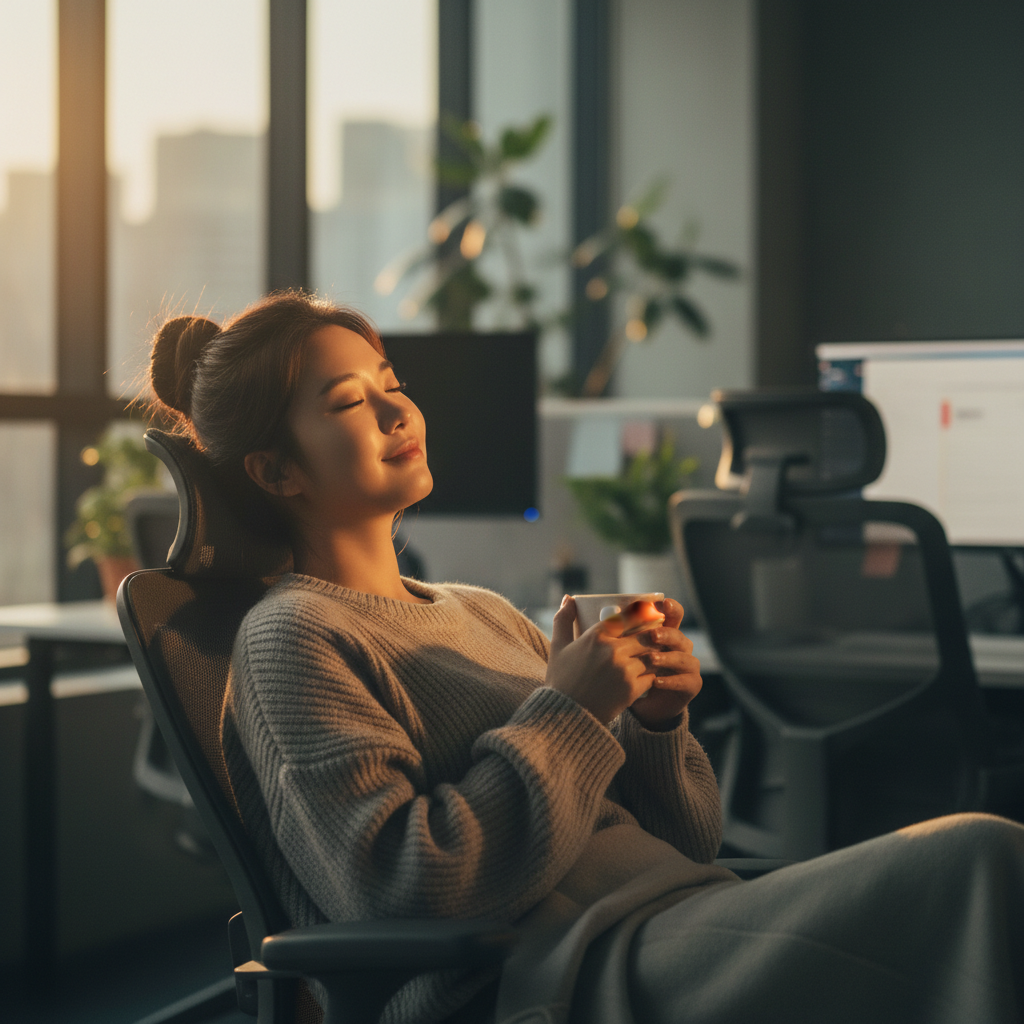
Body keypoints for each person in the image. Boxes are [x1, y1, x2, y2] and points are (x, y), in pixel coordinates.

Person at [148, 292, 1024, 1024]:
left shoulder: (478, 611)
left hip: (677, 916)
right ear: (276, 473)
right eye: (348, 402)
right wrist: (568, 712)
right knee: (978, 865)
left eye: (392, 384)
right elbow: (400, 890)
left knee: (981, 873)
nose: (396, 411)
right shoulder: (292, 637)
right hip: (554, 977)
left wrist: (648, 721)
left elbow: (684, 840)